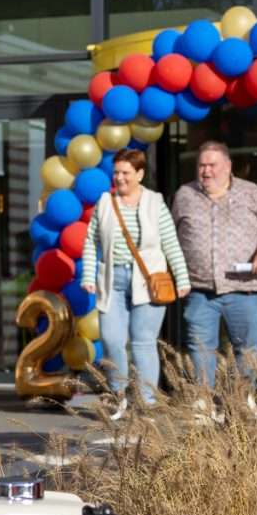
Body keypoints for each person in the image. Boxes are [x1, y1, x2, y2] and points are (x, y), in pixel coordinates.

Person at [74, 149, 189, 415]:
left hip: (148, 281)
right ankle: (118, 396)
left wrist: (181, 277)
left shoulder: (154, 202)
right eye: (116, 172)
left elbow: (170, 242)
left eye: (126, 172)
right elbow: (92, 242)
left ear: (139, 173)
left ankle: (147, 402)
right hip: (112, 279)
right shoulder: (105, 202)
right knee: (112, 341)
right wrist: (88, 275)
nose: (120, 178)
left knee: (143, 342)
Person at [171, 140, 257, 394]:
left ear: (228, 166)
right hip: (199, 290)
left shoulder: (252, 192)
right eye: (201, 165)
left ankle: (243, 402)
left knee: (247, 351)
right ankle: (204, 404)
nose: (206, 171)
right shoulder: (184, 195)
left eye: (212, 165)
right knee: (200, 349)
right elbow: (169, 235)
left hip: (243, 288)